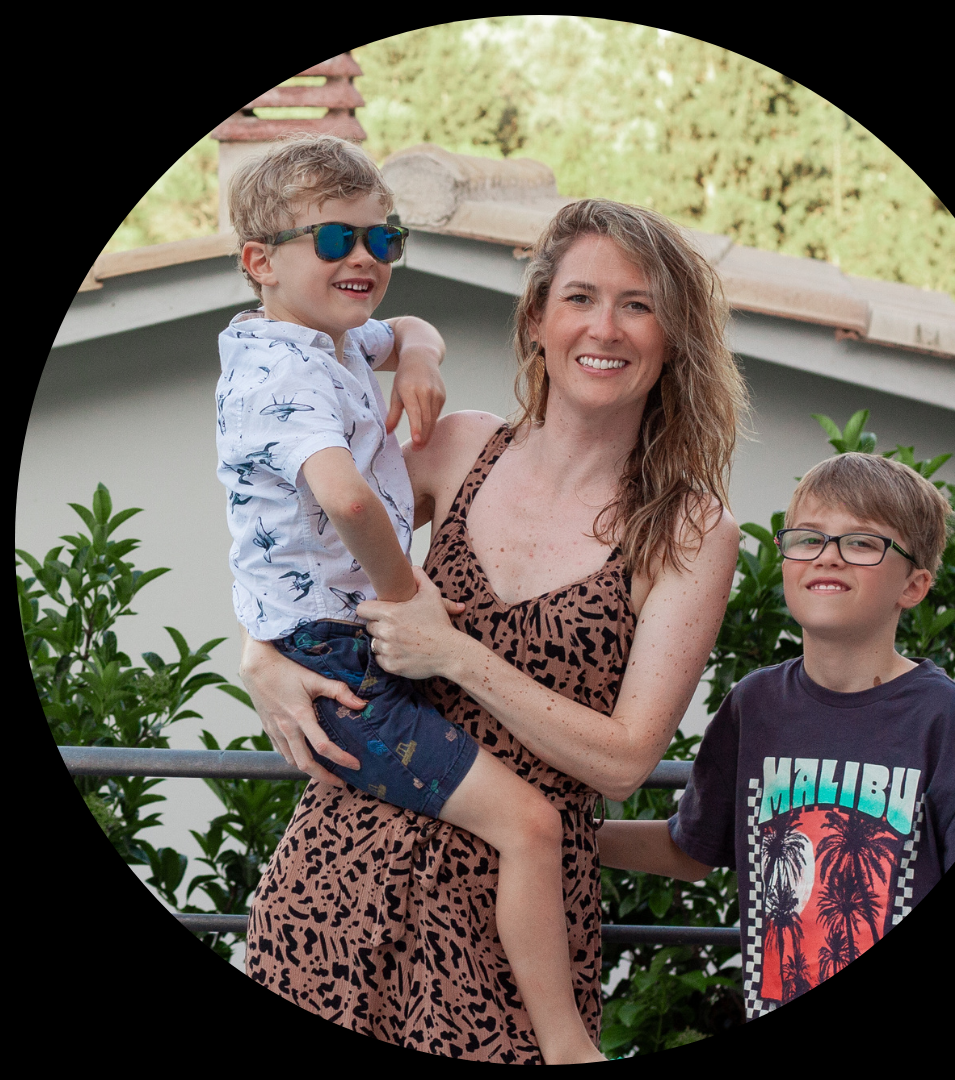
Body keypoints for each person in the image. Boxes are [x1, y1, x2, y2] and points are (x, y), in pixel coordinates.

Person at [239, 196, 747, 1061]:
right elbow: (297, 544)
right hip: (337, 878)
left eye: (640, 304)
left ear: (674, 339)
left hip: (514, 937)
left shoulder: (690, 531)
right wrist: (256, 655)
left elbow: (625, 760)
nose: (607, 328)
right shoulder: (453, 447)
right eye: (582, 297)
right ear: (540, 317)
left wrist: (455, 655)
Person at [219, 135, 616, 1063]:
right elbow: (347, 497)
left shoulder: (315, 337)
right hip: (343, 661)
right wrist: (412, 600)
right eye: (331, 240)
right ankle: (567, 1046)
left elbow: (413, 332)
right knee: (529, 825)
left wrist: (420, 359)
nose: (362, 258)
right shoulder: (283, 374)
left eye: (382, 238)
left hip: (325, 639)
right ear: (258, 262)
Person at [598, 452, 955, 1017]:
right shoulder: (754, 705)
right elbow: (691, 848)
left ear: (914, 586)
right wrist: (568, 835)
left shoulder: (944, 717)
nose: (829, 557)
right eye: (809, 537)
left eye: (863, 543)